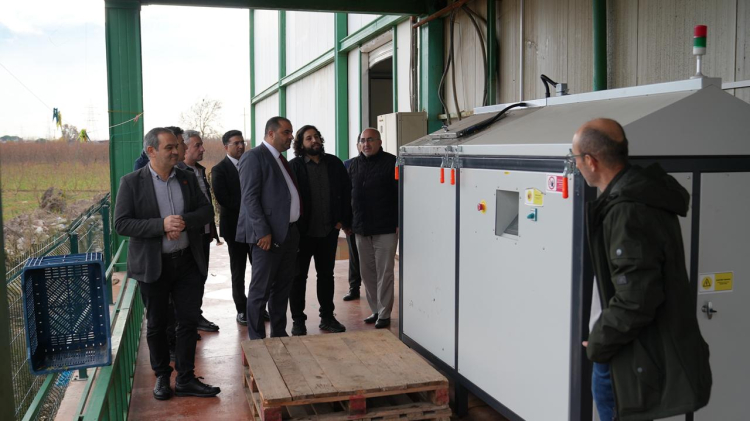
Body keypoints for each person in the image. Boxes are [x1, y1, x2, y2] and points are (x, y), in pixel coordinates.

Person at [573, 118, 711, 420]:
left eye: (576, 158)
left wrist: (599, 343)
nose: (576, 165)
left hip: (624, 355)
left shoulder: (627, 210)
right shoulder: (635, 196)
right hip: (630, 352)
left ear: (591, 161)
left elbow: (637, 297)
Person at [114, 127, 220, 400]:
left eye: (177, 146)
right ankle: (162, 376)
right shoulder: (131, 182)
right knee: (157, 324)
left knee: (187, 322)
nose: (176, 151)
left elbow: (207, 211)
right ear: (151, 151)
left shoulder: (186, 177)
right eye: (169, 147)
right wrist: (161, 225)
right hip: (153, 266)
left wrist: (181, 222)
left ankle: (185, 378)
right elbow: (122, 224)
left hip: (186, 263)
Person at [236, 116, 301, 339]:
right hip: (267, 237)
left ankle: (279, 334)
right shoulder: (254, 157)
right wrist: (262, 231)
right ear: (271, 133)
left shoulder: (280, 159)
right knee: (260, 290)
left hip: (288, 234)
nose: (291, 137)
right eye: (286, 132)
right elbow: (250, 198)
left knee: (282, 288)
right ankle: (257, 340)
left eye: (291, 132)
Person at [288, 125, 351, 335]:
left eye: (316, 136)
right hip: (302, 234)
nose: (314, 140)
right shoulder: (294, 167)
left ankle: (327, 317)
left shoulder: (334, 163)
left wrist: (340, 221)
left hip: (328, 231)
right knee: (298, 278)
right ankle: (298, 320)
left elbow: (346, 192)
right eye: (309, 138)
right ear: (301, 143)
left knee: (326, 276)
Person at [348, 128, 399, 329]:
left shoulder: (392, 163)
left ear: (379, 142)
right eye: (363, 140)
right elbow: (347, 195)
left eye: (370, 140)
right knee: (367, 272)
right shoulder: (352, 165)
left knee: (385, 272)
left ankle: (384, 313)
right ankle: (376, 310)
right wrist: (348, 223)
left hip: (385, 227)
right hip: (361, 228)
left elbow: (400, 194)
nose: (366, 144)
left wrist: (399, 222)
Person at [178, 130, 221, 333]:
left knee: (201, 275)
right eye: (197, 145)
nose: (202, 149)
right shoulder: (179, 173)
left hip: (203, 233)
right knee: (190, 279)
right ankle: (186, 321)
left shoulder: (200, 171)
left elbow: (206, 205)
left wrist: (210, 229)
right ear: (185, 148)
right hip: (189, 235)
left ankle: (195, 316)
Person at [211, 130, 251, 326]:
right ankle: (242, 309)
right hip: (234, 229)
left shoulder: (251, 164)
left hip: (255, 228)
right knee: (238, 270)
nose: (241, 146)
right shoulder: (219, 170)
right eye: (236, 143)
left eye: (242, 142)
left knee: (260, 269)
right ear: (226, 146)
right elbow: (224, 199)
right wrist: (252, 207)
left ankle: (257, 306)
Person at [342, 143, 362, 301]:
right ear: (358, 145)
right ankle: (354, 287)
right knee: (354, 256)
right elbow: (343, 194)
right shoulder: (348, 165)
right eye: (362, 142)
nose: (366, 144)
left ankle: (376, 290)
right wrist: (345, 222)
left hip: (376, 221)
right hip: (353, 218)